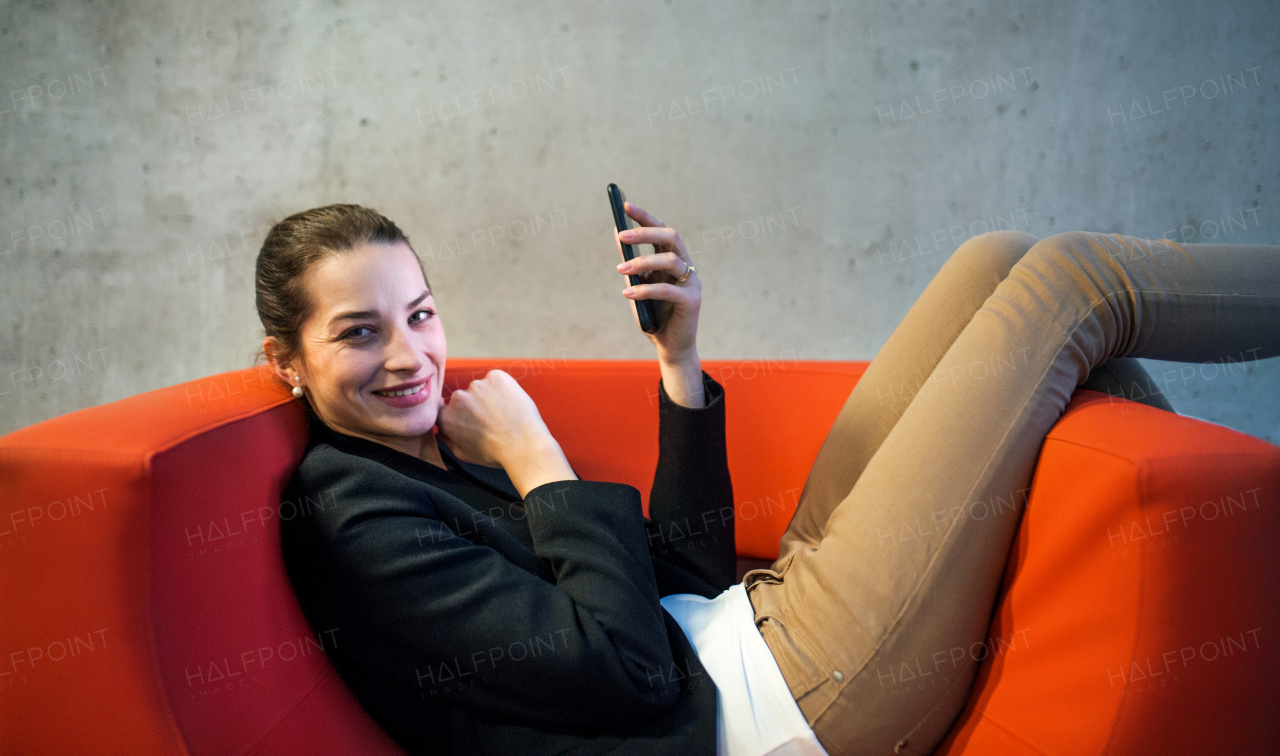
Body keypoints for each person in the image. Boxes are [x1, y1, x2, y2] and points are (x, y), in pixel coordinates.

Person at [256, 202, 1278, 756]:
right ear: (285, 362)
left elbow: (682, 575)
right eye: (359, 332)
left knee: (992, 259)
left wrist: (679, 360)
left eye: (420, 314)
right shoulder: (351, 515)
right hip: (779, 703)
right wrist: (538, 464)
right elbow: (628, 671)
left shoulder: (427, 450)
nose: (410, 357)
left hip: (751, 620)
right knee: (1072, 282)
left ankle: (1193, 607)